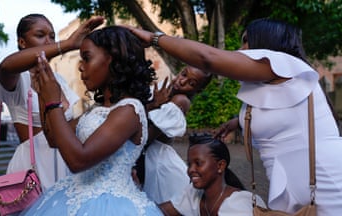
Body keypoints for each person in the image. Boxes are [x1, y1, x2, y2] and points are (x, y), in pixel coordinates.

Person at [126, 18, 342, 215]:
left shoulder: (286, 64)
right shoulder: (272, 83)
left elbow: (207, 59)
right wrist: (235, 123)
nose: (240, 50)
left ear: (268, 42)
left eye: (246, 41)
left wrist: (155, 38)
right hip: (290, 187)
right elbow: (276, 114)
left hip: (325, 182)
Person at [21, 26, 163, 215]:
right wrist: (43, 95)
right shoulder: (98, 111)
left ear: (111, 59)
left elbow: (78, 160)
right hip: (73, 196)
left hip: (112, 206)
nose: (80, 66)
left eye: (86, 58)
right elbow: (53, 138)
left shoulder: (129, 110)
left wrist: (54, 102)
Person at [0, 14, 103, 191]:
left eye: (52, 36)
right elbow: (6, 66)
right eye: (40, 35)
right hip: (34, 167)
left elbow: (69, 126)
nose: (49, 41)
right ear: (22, 42)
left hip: (67, 161)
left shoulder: (58, 79)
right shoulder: (18, 79)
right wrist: (66, 44)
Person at [135, 65, 212, 204]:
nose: (182, 81)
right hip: (143, 158)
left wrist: (153, 105)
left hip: (156, 164)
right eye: (184, 74)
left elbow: (144, 138)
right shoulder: (162, 90)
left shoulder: (180, 100)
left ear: (198, 90)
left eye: (191, 83)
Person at [159, 133, 265, 216]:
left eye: (198, 163)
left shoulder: (238, 205)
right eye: (189, 164)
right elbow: (162, 210)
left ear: (220, 166)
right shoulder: (194, 194)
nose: (191, 170)